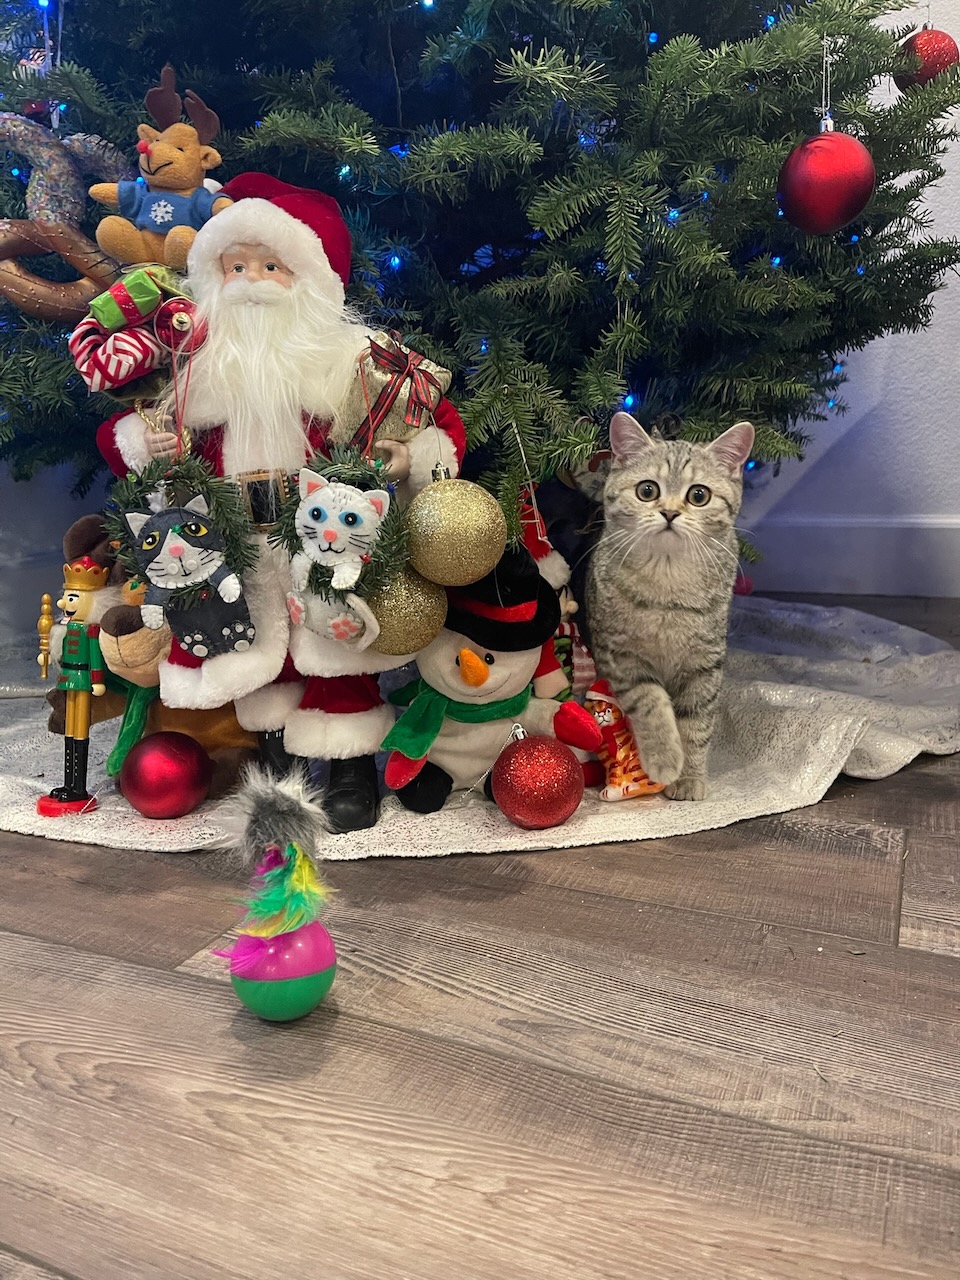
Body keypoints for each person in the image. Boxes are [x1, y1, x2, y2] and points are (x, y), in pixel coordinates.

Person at [96, 173, 466, 830]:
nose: (250, 282)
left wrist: (413, 459)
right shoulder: (194, 375)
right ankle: (276, 758)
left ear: (313, 282)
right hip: (236, 536)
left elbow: (440, 426)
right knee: (254, 645)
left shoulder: (357, 368)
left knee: (336, 648)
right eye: (234, 267)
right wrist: (141, 442)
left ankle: (350, 765)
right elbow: (124, 434)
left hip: (326, 533)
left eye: (271, 266)